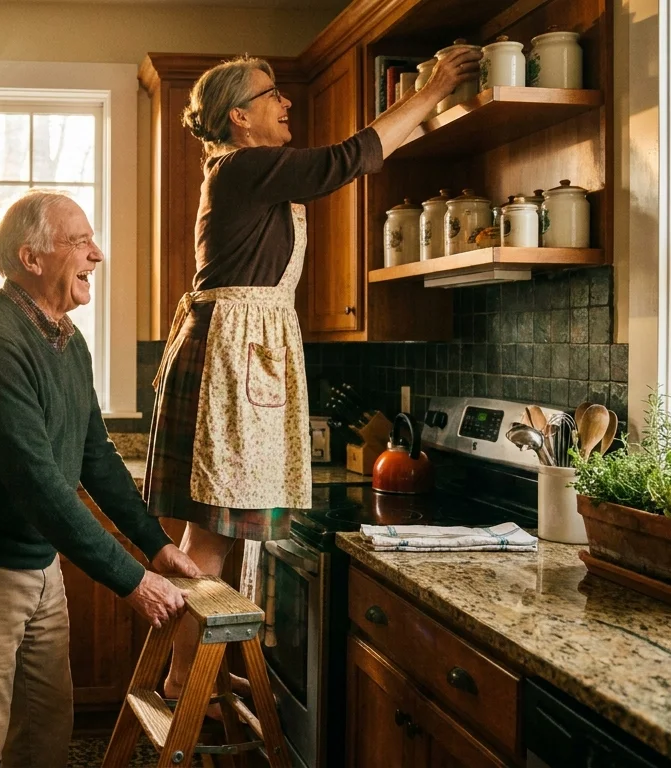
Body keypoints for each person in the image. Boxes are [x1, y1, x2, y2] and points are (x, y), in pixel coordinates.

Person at [146, 51, 481, 703]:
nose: (286, 103)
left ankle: (190, 669)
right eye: (271, 96)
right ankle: (185, 676)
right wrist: (437, 88)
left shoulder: (246, 172)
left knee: (218, 536)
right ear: (239, 118)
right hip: (233, 358)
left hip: (240, 354)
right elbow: (347, 160)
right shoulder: (244, 166)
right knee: (211, 539)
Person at [0, 190, 201, 767]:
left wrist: (156, 545)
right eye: (80, 241)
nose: (97, 254)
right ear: (32, 258)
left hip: (39, 563)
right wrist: (133, 582)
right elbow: (40, 485)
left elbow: (95, 454)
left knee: (45, 727)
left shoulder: (66, 338)